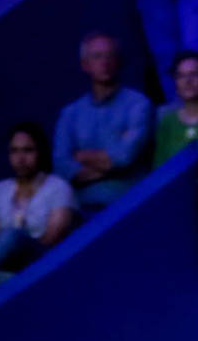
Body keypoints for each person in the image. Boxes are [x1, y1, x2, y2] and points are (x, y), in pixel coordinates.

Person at [52, 32, 154, 213]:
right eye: (97, 57)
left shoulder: (138, 104)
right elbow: (61, 166)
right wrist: (113, 166)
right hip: (84, 209)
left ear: (119, 61)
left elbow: (124, 157)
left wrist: (80, 156)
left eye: (110, 56)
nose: (104, 63)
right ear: (85, 65)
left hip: (131, 202)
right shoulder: (70, 114)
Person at [0, 122, 76, 284]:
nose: (20, 159)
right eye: (14, 151)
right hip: (5, 263)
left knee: (11, 235)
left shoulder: (58, 187)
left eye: (28, 151)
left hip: (42, 259)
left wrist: (19, 239)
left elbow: (52, 239)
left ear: (39, 152)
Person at [153, 50, 198, 164]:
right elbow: (159, 168)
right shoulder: (168, 121)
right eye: (181, 76)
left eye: (194, 74)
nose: (187, 81)